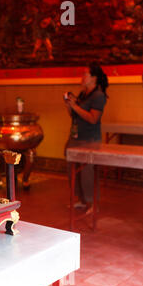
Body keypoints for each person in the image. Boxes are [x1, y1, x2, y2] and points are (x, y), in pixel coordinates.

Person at [64, 62, 109, 212]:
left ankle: (92, 204)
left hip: (90, 140)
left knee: (87, 173)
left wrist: (76, 106)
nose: (82, 77)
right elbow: (74, 115)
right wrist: (69, 105)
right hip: (75, 136)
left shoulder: (99, 96)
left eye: (85, 74)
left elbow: (93, 118)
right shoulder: (83, 94)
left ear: (94, 77)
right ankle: (81, 200)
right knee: (73, 170)